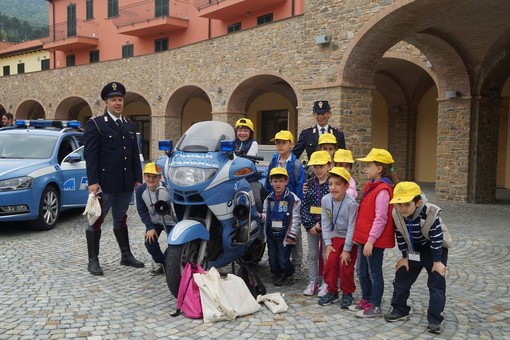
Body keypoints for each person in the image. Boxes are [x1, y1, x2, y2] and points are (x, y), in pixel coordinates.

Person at [84, 81, 144, 276]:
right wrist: (93, 181)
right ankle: (93, 260)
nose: (118, 103)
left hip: (125, 183)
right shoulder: (96, 124)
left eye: (120, 99)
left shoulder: (129, 124)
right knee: (96, 220)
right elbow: (91, 155)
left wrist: (137, 177)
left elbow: (134, 153)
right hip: (105, 183)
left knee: (122, 218)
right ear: (106, 102)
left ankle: (125, 255)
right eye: (113, 100)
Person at [384, 182, 449, 334]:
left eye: (407, 204)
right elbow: (400, 234)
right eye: (399, 204)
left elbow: (437, 239)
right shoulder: (397, 213)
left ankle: (434, 320)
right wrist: (405, 257)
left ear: (418, 202)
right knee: (401, 277)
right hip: (414, 249)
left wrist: (437, 262)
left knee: (436, 284)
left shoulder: (430, 213)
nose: (402, 208)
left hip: (435, 250)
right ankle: (400, 309)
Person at [350, 148, 398, 317]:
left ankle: (375, 305)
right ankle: (366, 299)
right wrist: (359, 236)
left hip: (374, 240)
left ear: (379, 168)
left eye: (368, 165)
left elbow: (380, 218)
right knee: (361, 271)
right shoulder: (372, 185)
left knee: (374, 272)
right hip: (365, 238)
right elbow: (365, 214)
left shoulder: (383, 190)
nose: (365, 169)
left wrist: (370, 240)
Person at [265, 130, 306, 276]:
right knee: (276, 231)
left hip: (291, 203)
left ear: (291, 144)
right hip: (275, 202)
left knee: (295, 233)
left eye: (283, 142)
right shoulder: (274, 160)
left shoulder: (296, 164)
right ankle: (280, 260)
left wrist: (297, 205)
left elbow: (300, 185)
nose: (280, 145)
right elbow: (268, 182)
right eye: (277, 143)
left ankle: (296, 263)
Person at [318, 167, 358, 309]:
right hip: (334, 238)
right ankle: (332, 290)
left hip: (349, 239)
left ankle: (347, 293)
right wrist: (328, 244)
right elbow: (325, 222)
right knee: (329, 263)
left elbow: (352, 227)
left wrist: (347, 249)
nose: (333, 188)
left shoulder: (352, 204)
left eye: (338, 184)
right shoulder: (325, 200)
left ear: (346, 186)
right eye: (330, 184)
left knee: (345, 265)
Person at [261, 167, 301, 286]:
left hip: (284, 235)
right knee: (272, 259)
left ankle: (288, 273)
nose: (278, 184)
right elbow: (265, 214)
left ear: (286, 181)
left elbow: (296, 218)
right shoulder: (268, 199)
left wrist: (292, 234)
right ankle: (277, 275)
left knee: (283, 259)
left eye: (281, 181)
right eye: (275, 181)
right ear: (271, 182)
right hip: (271, 234)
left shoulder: (292, 198)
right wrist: (260, 216)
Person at [135, 162, 176, 275]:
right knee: (150, 243)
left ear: (159, 177)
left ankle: (172, 262)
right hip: (155, 222)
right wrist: (149, 227)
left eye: (154, 177)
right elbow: (142, 210)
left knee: (174, 246)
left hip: (171, 222)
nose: (151, 180)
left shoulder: (168, 188)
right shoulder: (140, 190)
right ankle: (162, 263)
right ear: (144, 177)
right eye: (148, 176)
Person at [300, 151, 331, 297]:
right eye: (315, 166)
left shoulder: (332, 184)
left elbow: (332, 208)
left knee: (326, 255)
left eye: (321, 166)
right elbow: (304, 206)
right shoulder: (310, 183)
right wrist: (310, 225)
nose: (318, 169)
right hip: (312, 227)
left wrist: (321, 224)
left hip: (327, 227)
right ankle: (312, 282)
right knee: (312, 254)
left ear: (328, 166)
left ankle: (326, 282)